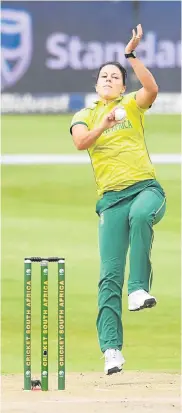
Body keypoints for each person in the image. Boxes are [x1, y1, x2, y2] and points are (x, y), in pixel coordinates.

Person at [70, 24, 166, 375]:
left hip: (145, 190)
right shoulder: (86, 114)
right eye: (104, 76)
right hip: (110, 201)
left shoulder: (132, 104)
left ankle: (139, 289)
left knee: (141, 216)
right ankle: (111, 349)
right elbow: (82, 142)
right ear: (97, 85)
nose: (109, 79)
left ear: (123, 86)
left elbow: (152, 89)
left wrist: (131, 56)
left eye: (115, 76)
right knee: (109, 276)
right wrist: (106, 123)